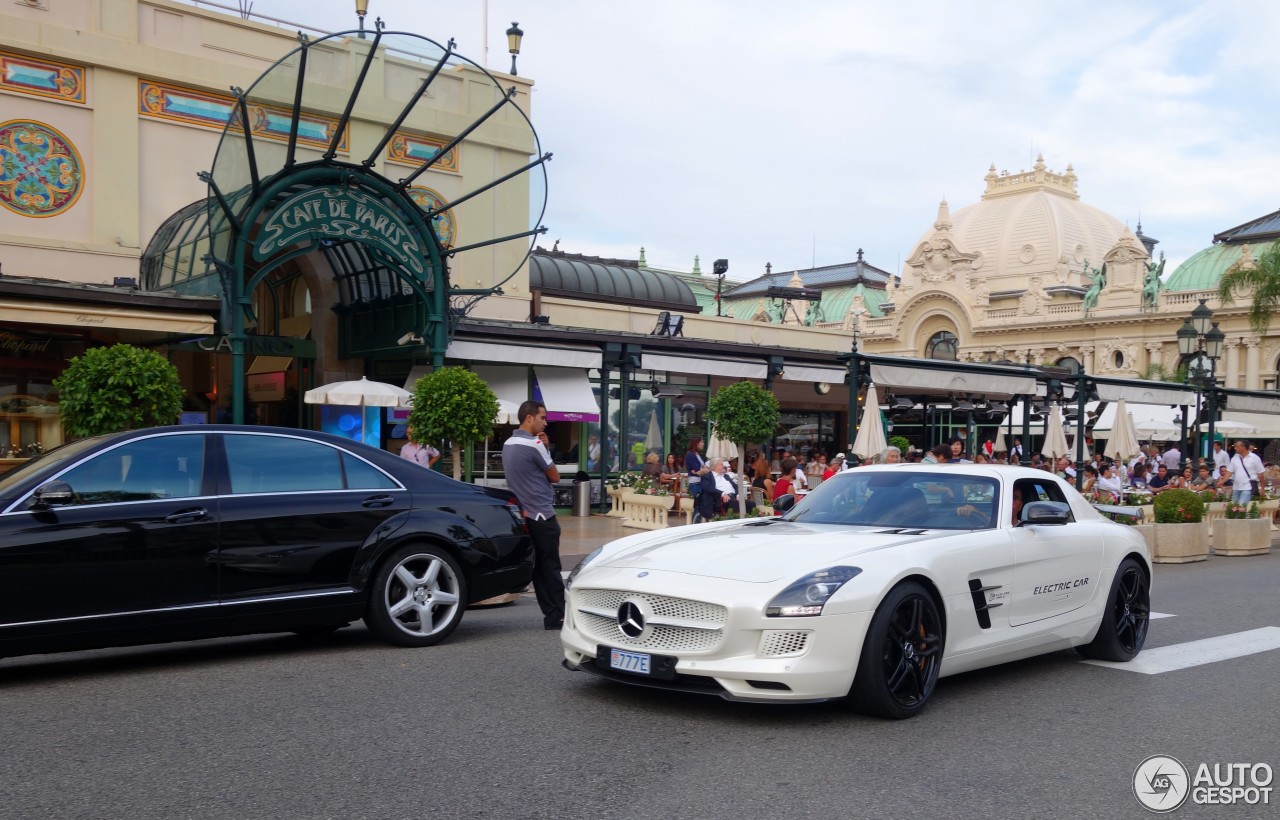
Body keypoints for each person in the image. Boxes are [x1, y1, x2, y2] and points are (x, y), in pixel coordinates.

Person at [500, 400, 564, 631]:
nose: (545, 423)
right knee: (551, 568)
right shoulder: (535, 444)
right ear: (529, 418)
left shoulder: (508, 443)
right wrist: (546, 450)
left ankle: (551, 614)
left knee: (538, 568)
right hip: (542, 514)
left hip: (524, 513)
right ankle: (558, 616)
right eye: (542, 418)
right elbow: (555, 477)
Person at [1228, 439, 1265, 503]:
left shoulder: (1254, 458)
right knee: (1234, 508)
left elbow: (1261, 474)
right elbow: (1229, 472)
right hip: (1236, 487)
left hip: (1248, 487)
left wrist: (1262, 488)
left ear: (1243, 447)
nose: (1235, 448)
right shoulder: (1235, 458)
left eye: (1237, 446)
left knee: (1242, 507)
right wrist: (1221, 481)